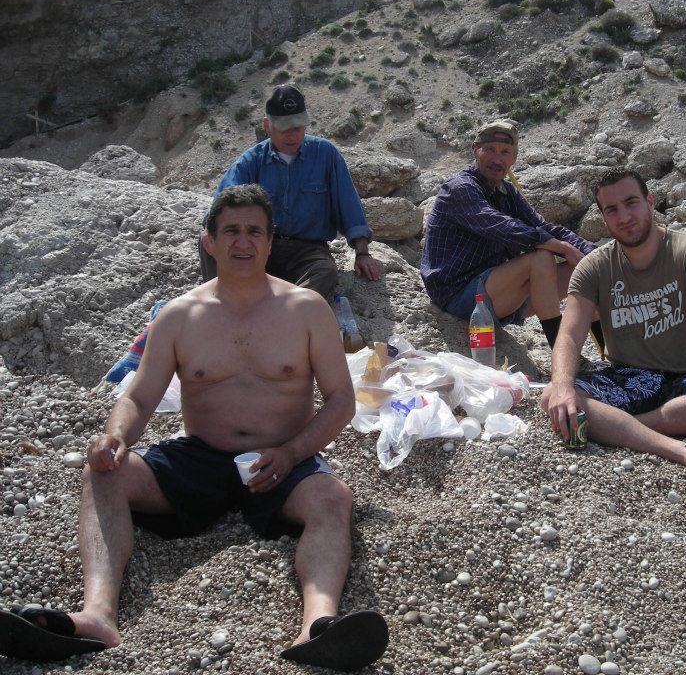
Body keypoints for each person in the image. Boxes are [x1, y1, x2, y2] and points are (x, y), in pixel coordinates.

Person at [0, 185, 388, 670]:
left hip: (282, 456)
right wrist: (115, 437)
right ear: (210, 241)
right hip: (199, 456)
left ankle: (318, 624)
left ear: (270, 242)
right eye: (231, 231)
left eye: (254, 232)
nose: (242, 242)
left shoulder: (307, 309)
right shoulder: (179, 316)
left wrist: (292, 453)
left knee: (333, 497)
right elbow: (139, 396)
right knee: (104, 473)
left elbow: (341, 400)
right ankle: (97, 615)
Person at [542, 168, 686, 484]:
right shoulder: (594, 267)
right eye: (612, 210)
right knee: (552, 396)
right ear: (603, 218)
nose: (624, 216)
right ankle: (677, 450)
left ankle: (624, 428)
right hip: (627, 377)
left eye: (631, 203)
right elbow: (569, 334)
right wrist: (564, 386)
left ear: (650, 202)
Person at [420, 120, 605, 351]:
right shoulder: (460, 187)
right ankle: (563, 354)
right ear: (475, 150)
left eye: (505, 152)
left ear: (514, 158)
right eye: (489, 149)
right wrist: (559, 246)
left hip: (497, 290)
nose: (497, 159)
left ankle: (609, 353)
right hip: (457, 293)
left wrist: (592, 253)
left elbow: (543, 227)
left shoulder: (506, 192)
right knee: (540, 258)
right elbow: (499, 225)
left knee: (585, 269)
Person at [200, 84, 381, 301]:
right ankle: (223, 302)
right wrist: (217, 233)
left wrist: (362, 252)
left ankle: (285, 310)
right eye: (284, 128)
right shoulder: (251, 162)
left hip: (308, 252)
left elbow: (348, 204)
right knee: (208, 239)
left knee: (325, 272)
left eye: (298, 127)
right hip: (261, 246)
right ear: (267, 125)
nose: (292, 135)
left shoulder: (325, 155)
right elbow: (222, 206)